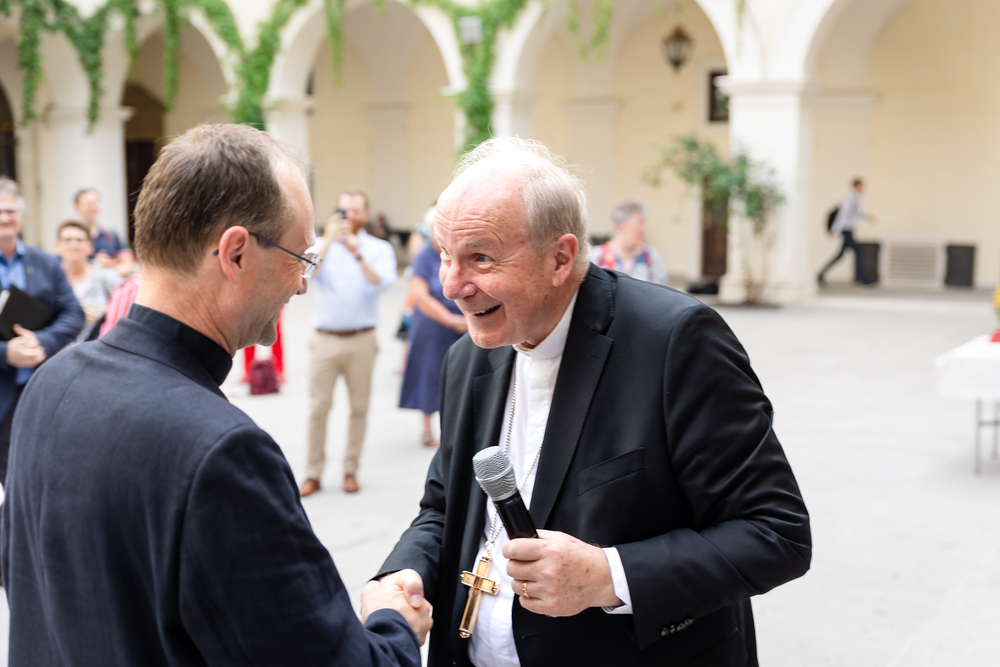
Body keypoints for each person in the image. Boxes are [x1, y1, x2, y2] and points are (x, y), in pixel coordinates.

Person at [0, 124, 430, 666]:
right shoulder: (221, 451)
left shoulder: (51, 382)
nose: (303, 282)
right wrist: (393, 624)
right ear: (235, 253)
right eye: (300, 255)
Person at [372, 138, 811, 667]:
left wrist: (609, 576)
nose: (451, 285)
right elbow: (447, 507)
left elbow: (775, 532)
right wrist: (404, 572)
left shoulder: (675, 341)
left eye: (480, 258)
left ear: (560, 258)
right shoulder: (467, 357)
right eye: (445, 254)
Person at [302, 189, 397, 497]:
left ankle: (350, 470)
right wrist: (329, 241)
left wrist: (357, 254)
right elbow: (306, 274)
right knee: (318, 408)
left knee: (359, 408)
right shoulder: (321, 246)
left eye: (355, 211)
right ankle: (313, 472)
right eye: (344, 211)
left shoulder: (377, 248)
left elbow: (381, 283)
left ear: (365, 214)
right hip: (325, 339)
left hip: (362, 339)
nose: (349, 217)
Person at [0, 178, 83, 487]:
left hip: (41, 387)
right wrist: (6, 353)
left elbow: (73, 313)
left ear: (21, 215)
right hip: (1, 390)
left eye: (10, 211)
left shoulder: (46, 262)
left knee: (42, 476)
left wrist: (41, 341)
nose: (5, 218)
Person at [399, 225, 467, 448]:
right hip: (432, 324)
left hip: (464, 323)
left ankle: (457, 431)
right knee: (429, 374)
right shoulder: (424, 256)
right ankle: (427, 430)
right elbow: (419, 295)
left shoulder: (460, 252)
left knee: (462, 377)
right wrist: (449, 319)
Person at [54, 220, 123, 342]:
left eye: (79, 240)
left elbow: (127, 310)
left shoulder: (108, 277)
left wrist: (105, 314)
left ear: (91, 247)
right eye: (67, 240)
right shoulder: (50, 281)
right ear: (57, 246)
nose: (73, 245)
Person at [590, 200, 667, 285]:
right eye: (639, 223)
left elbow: (661, 288)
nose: (644, 229)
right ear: (620, 225)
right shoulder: (598, 255)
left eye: (645, 223)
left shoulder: (650, 256)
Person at [817, 178, 876, 285]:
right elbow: (842, 216)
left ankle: (820, 274)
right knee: (858, 252)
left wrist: (867, 217)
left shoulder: (855, 199)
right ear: (856, 186)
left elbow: (857, 213)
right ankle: (863, 279)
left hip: (848, 230)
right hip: (846, 230)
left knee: (840, 255)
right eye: (861, 186)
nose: (863, 189)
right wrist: (834, 230)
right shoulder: (850, 199)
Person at [74, 188, 134, 275]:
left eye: (96, 202)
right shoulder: (72, 236)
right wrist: (95, 265)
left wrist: (111, 270)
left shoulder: (110, 233)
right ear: (77, 206)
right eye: (89, 203)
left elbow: (127, 261)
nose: (93, 207)